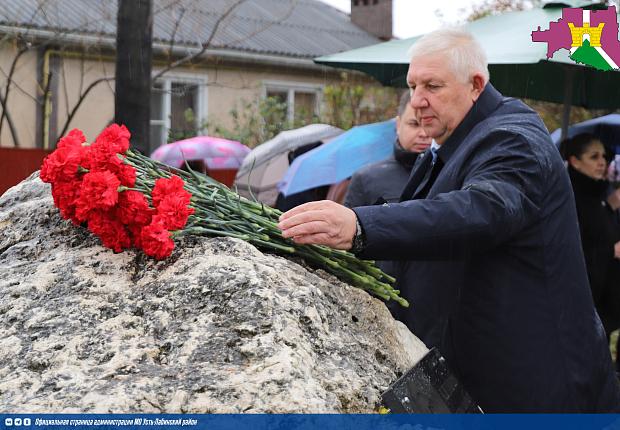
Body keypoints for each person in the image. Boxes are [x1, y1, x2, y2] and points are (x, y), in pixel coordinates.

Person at [278, 28, 620, 412]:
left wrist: (361, 227)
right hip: (461, 374)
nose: (418, 101)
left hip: (530, 386)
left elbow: (482, 211)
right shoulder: (449, 143)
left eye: (432, 86)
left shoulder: (513, 138)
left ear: (476, 84)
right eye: (412, 86)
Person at [566, 134, 620, 344]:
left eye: (604, 156)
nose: (602, 162)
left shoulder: (596, 196)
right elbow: (574, 247)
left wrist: (610, 206)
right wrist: (611, 250)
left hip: (601, 305)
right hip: (582, 304)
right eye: (594, 156)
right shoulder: (571, 198)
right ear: (575, 162)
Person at [343, 91, 431, 207]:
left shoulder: (451, 173)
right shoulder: (366, 178)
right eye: (414, 124)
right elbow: (351, 223)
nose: (423, 133)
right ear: (398, 125)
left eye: (429, 125)